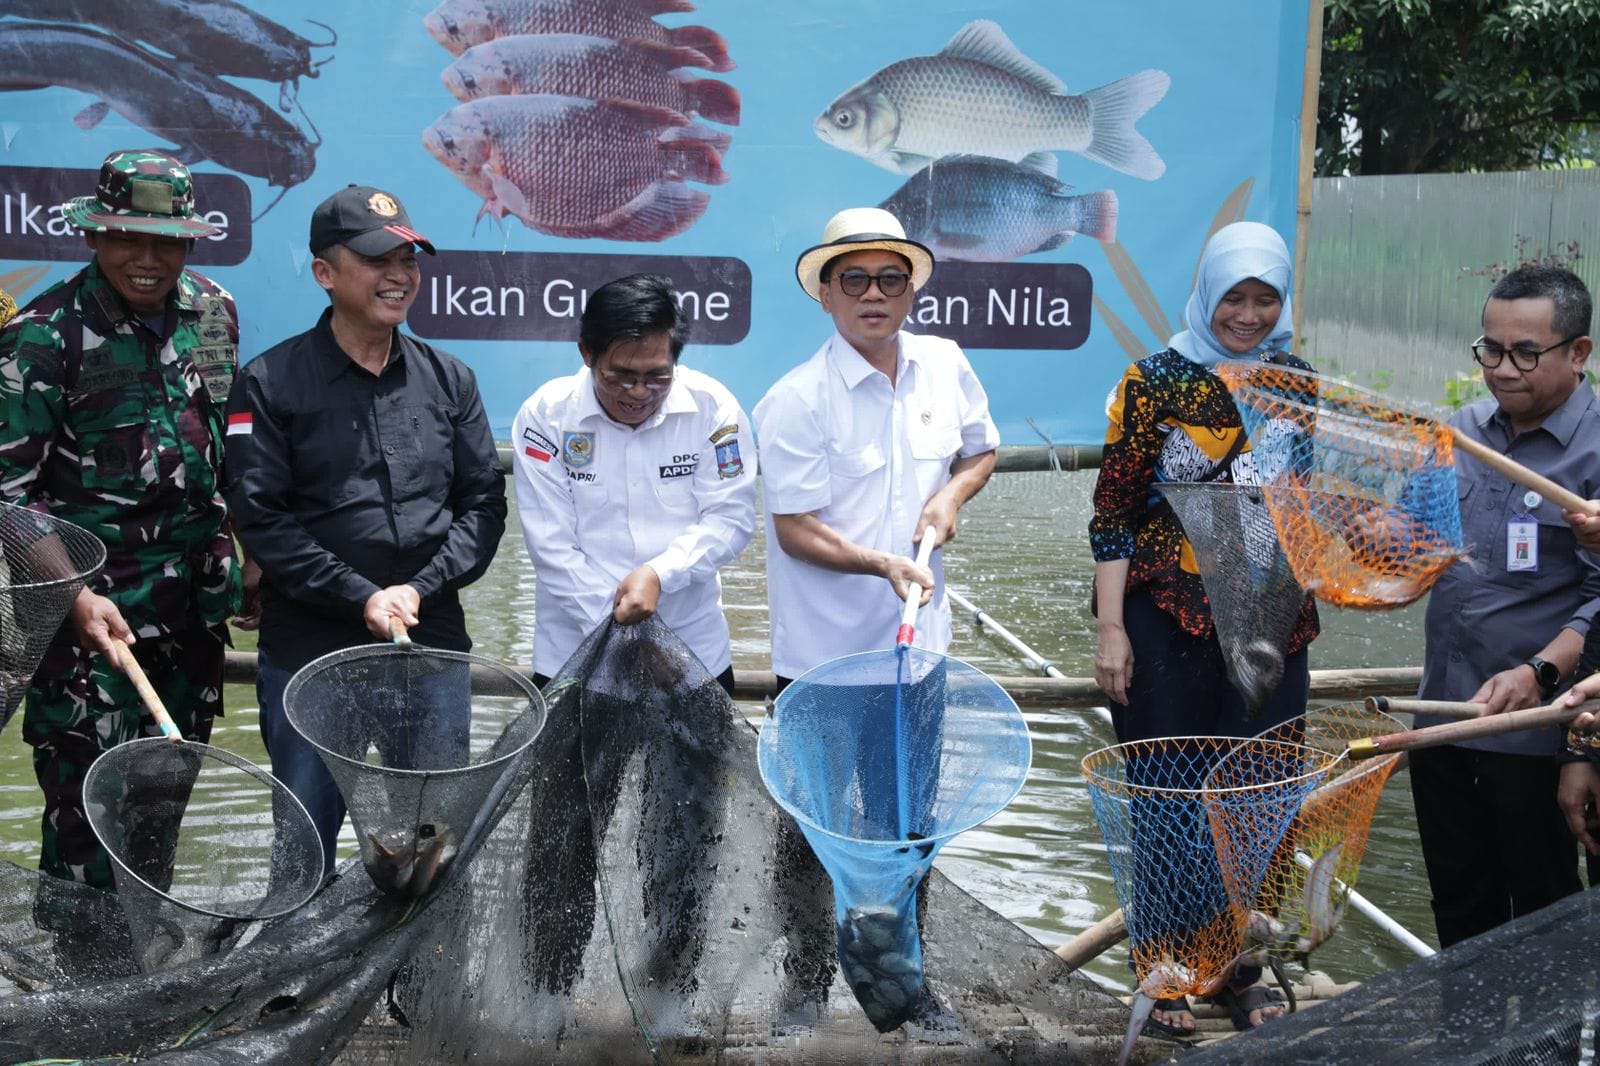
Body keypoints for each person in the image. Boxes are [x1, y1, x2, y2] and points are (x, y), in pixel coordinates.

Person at [224, 184, 506, 870]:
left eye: (408, 259)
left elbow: (483, 506)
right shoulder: (268, 381)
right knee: (304, 856)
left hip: (429, 647)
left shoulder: (451, 380)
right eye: (378, 259)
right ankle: (298, 980)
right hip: (312, 657)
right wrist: (360, 595)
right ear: (325, 272)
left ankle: (420, 983)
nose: (400, 276)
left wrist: (418, 588)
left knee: (431, 853)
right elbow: (261, 517)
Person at [1088, 221, 1314, 1033]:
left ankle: (1237, 969)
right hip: (1168, 615)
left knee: (1259, 797)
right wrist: (1112, 630)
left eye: (1264, 299)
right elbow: (1112, 514)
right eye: (1234, 297)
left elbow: (1298, 505)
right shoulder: (1152, 381)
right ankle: (1166, 968)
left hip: (1269, 617)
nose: (1248, 315)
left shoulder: (1296, 381)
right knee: (1169, 794)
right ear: (1207, 292)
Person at [0, 150, 242, 890]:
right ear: (93, 237)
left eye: (165, 240)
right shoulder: (42, 337)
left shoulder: (216, 311)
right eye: (127, 239)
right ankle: (82, 991)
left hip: (193, 622)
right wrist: (73, 595)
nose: (147, 259)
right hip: (90, 636)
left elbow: (224, 455)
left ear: (190, 242)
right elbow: (10, 499)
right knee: (87, 831)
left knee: (160, 822)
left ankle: (146, 989)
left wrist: (248, 562)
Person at [1410, 264, 1597, 949]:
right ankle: (1466, 1052)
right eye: (1490, 349)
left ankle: (1545, 1058)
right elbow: (1417, 543)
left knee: (1545, 913)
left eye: (1525, 352)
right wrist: (1383, 544)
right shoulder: (1460, 433)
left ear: (1578, 353)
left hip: (1539, 732)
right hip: (1445, 719)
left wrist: (1538, 673)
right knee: (1460, 907)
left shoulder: (1597, 450)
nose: (1502, 368)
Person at [754, 207, 998, 688]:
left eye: (891, 279)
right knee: (820, 770)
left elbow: (981, 451)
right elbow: (795, 530)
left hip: (922, 649)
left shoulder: (945, 362)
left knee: (916, 768)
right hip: (825, 662)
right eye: (853, 280)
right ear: (825, 296)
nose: (873, 293)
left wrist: (950, 497)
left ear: (911, 291)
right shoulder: (795, 399)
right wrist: (881, 564)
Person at [511, 273, 755, 690]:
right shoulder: (545, 416)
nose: (639, 392)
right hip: (574, 655)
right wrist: (626, 637)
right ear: (587, 353)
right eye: (620, 376)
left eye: (658, 377)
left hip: (692, 654)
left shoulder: (713, 408)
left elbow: (729, 520)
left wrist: (660, 573)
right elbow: (551, 546)